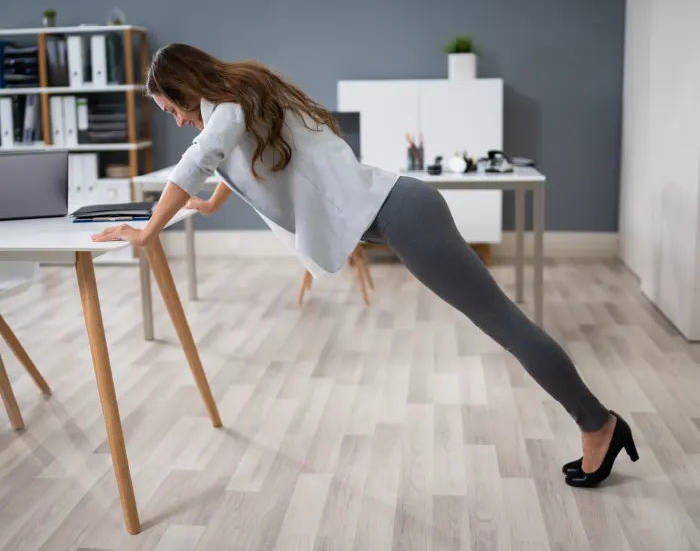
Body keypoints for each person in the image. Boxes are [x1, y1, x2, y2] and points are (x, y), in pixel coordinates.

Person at [92, 43, 638, 487]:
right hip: (401, 213)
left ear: (185, 89)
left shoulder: (227, 111)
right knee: (504, 326)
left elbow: (197, 159)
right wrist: (209, 203)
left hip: (407, 214)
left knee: (508, 328)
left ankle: (599, 423)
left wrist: (146, 231)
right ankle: (597, 422)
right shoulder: (238, 104)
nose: (181, 121)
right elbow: (233, 162)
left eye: (173, 109)